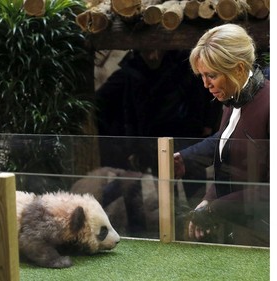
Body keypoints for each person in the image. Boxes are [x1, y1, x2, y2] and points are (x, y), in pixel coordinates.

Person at [174, 24, 269, 246]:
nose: (205, 84)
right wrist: (207, 201)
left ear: (238, 68)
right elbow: (228, 160)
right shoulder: (230, 100)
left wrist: (214, 209)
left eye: (212, 75)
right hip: (241, 231)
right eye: (202, 76)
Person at [96, 49, 223, 209]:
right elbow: (130, 110)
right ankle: (173, 227)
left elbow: (203, 94)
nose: (153, 55)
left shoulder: (183, 63)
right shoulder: (132, 70)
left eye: (156, 49)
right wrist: (134, 144)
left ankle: (200, 223)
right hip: (152, 139)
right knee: (166, 195)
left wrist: (207, 123)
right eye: (147, 51)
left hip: (186, 133)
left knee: (195, 187)